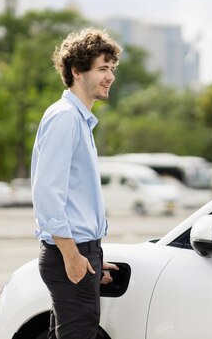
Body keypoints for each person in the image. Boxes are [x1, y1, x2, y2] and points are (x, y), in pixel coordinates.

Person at [31, 27, 122, 339]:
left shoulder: (79, 120)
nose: (110, 77)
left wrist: (93, 256)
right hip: (68, 251)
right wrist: (72, 254)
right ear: (77, 71)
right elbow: (47, 193)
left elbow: (75, 197)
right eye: (102, 69)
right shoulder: (65, 118)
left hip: (81, 250)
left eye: (112, 69)